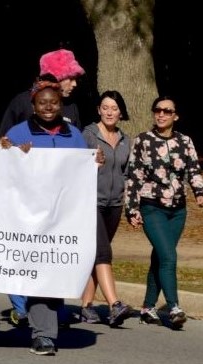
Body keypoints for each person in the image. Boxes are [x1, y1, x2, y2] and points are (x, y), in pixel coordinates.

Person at [0, 79, 97, 356]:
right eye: (42, 102)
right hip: (28, 217)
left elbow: (83, 171)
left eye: (54, 102)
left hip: (63, 218)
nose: (48, 107)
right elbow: (1, 168)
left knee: (54, 272)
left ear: (61, 104)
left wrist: (95, 163)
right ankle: (43, 334)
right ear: (33, 105)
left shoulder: (75, 135)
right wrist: (9, 151)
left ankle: (44, 320)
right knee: (39, 274)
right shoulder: (18, 133)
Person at [125, 96, 203, 330]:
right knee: (169, 257)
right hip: (152, 207)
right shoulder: (143, 140)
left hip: (178, 210)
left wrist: (199, 191)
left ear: (175, 116)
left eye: (167, 111)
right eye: (158, 110)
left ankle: (148, 307)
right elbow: (134, 176)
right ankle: (174, 307)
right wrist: (131, 209)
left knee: (161, 256)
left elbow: (194, 169)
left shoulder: (185, 141)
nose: (161, 114)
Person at [79, 91, 133, 327]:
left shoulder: (124, 139)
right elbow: (74, 166)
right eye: (105, 107)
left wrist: (128, 200)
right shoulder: (89, 134)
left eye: (114, 108)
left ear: (120, 112)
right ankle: (114, 304)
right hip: (91, 203)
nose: (109, 112)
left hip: (114, 204)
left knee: (96, 256)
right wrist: (91, 163)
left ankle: (87, 307)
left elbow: (125, 173)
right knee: (103, 254)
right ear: (99, 110)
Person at [0, 48, 86, 140]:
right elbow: (3, 141)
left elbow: (77, 144)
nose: (75, 84)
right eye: (71, 78)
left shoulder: (71, 106)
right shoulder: (22, 101)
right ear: (56, 78)